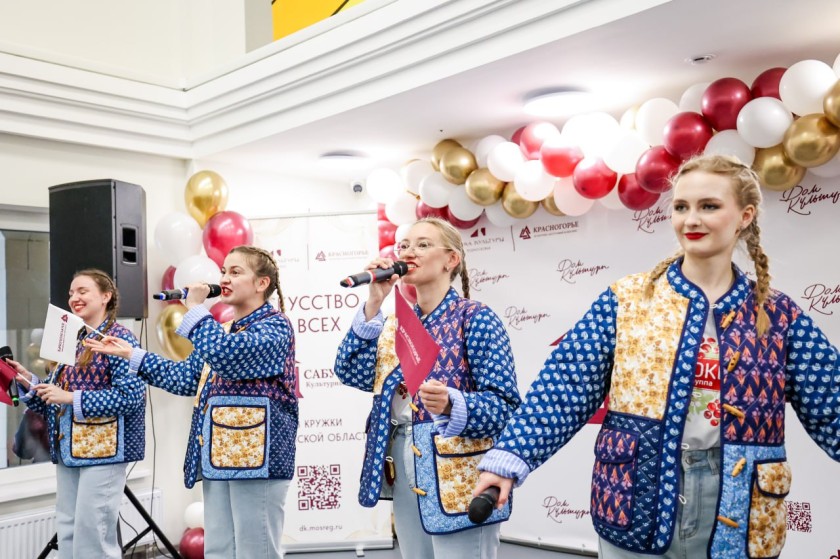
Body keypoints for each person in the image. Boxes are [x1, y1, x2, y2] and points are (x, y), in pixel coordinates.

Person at [474, 154, 840, 558]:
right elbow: (565, 386)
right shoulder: (628, 299)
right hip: (638, 493)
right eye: (681, 207)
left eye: (709, 206)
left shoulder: (777, 314)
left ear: (745, 216)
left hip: (741, 501)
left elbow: (831, 400)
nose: (691, 220)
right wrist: (511, 457)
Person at [87, 245, 297, 559]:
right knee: (219, 549)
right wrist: (133, 354)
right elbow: (186, 379)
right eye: (224, 270)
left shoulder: (275, 327)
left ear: (261, 283)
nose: (224, 278)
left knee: (257, 550)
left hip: (259, 460)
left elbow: (227, 356)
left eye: (235, 272)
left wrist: (196, 308)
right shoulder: (222, 330)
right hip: (219, 455)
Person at [334, 217, 522, 559]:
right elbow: (349, 371)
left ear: (451, 259)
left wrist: (455, 404)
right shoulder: (393, 324)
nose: (409, 252)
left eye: (422, 244)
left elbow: (505, 406)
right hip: (402, 458)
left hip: (459, 468)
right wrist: (374, 302)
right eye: (403, 245)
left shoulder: (474, 318)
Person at [10, 269, 145, 559]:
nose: (74, 298)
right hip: (68, 449)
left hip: (105, 452)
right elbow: (54, 399)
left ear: (106, 296)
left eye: (82, 291)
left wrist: (71, 397)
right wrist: (29, 382)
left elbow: (131, 398)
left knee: (93, 534)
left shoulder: (122, 339)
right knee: (69, 529)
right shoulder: (71, 339)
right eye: (72, 293)